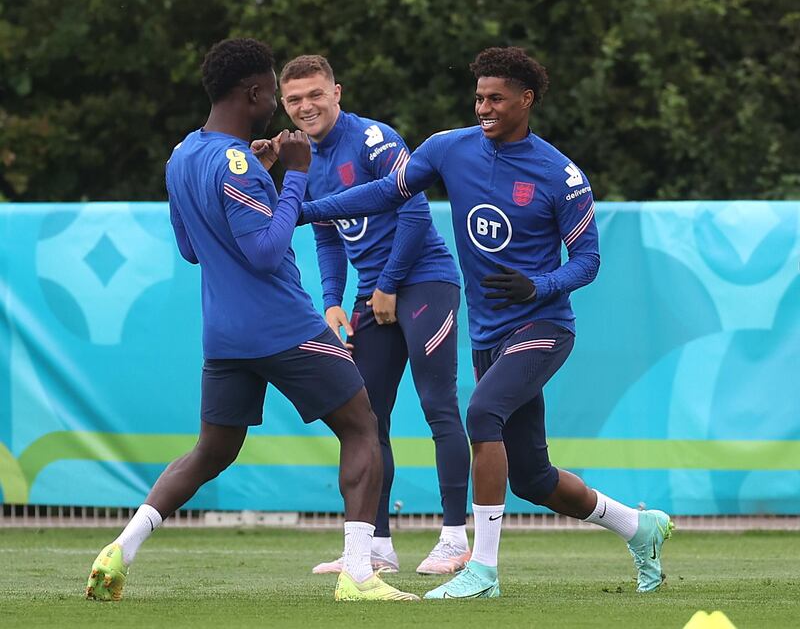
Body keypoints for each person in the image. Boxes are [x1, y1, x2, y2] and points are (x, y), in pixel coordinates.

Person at [299, 46, 674, 599]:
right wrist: (303, 210)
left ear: (527, 100)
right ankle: (638, 526)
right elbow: (388, 192)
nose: (483, 108)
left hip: (544, 328)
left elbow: (588, 261)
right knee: (533, 479)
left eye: (496, 98)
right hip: (490, 336)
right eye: (478, 97)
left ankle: (482, 570)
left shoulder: (562, 175)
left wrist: (540, 285)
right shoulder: (447, 149)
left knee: (480, 413)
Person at [84, 38, 417, 603]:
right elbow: (265, 252)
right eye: (272, 93)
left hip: (223, 335)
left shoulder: (183, 155)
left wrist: (265, 181)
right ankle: (359, 573)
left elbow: (191, 248)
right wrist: (292, 175)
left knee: (212, 451)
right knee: (362, 428)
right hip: (284, 326)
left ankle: (121, 548)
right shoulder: (239, 161)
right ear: (255, 92)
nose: (278, 109)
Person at [274, 54, 471, 576]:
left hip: (425, 283)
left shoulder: (372, 139)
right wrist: (334, 299)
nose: (305, 106)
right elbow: (325, 233)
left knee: (438, 406)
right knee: (364, 419)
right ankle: (376, 547)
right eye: (294, 99)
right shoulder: (303, 160)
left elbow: (414, 208)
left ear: (337, 91)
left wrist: (385, 285)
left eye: (315, 94)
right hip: (370, 297)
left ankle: (455, 539)